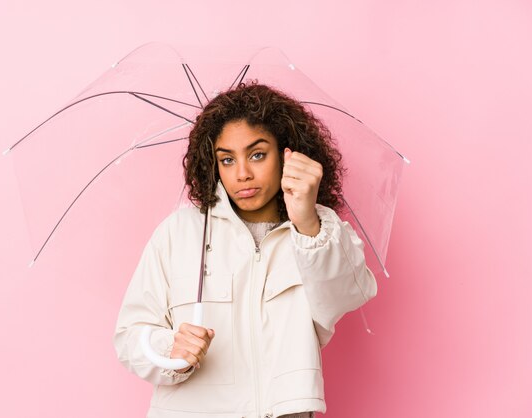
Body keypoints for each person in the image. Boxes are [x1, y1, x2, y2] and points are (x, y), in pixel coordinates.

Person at [113, 80, 378, 418]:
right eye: (226, 160)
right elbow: (129, 337)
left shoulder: (319, 230)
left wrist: (306, 221)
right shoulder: (177, 233)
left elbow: (347, 295)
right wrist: (171, 350)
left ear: (288, 153)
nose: (242, 174)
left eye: (257, 155)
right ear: (213, 165)